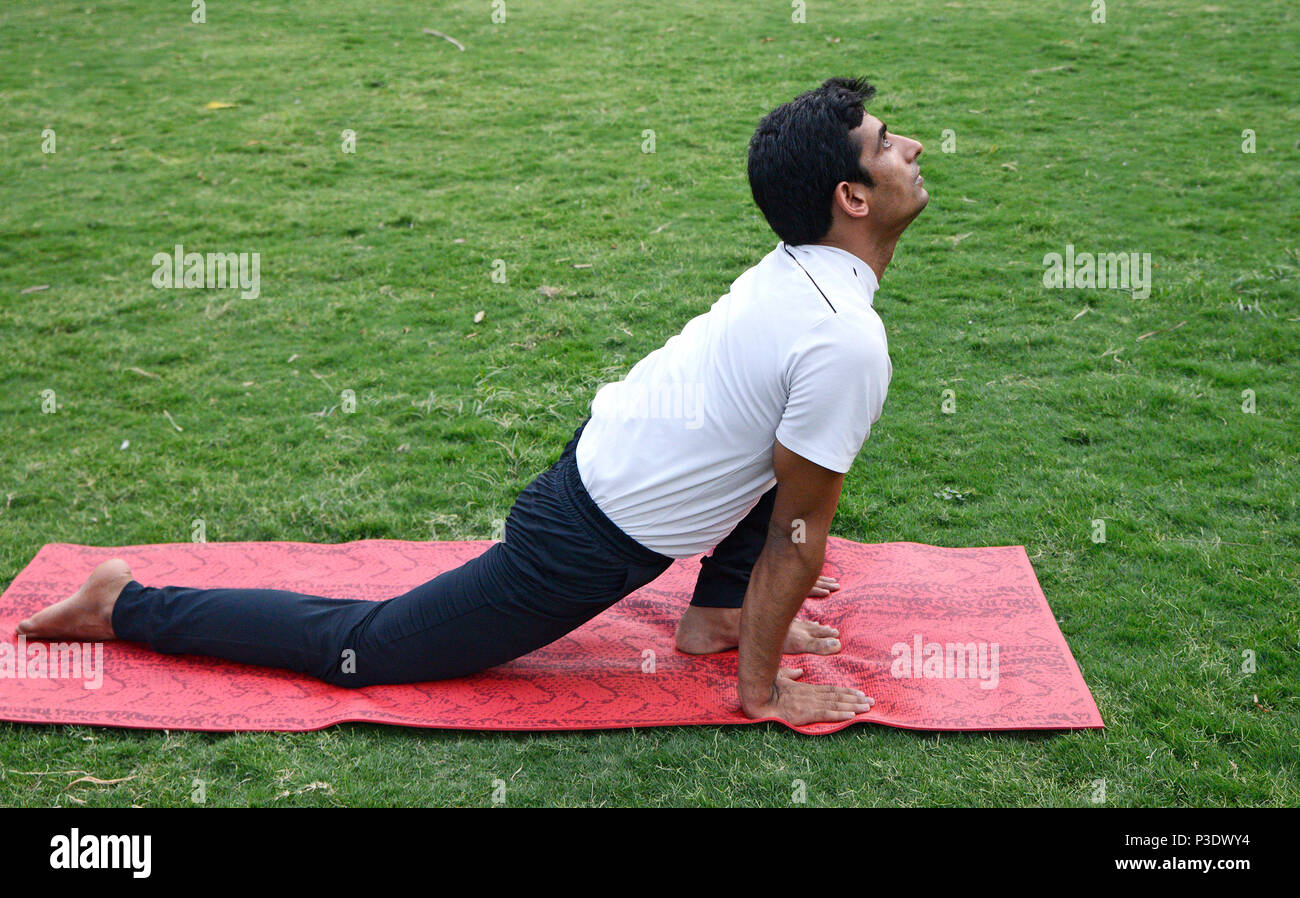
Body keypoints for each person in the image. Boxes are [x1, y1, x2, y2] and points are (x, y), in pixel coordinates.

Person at [18, 76, 928, 726]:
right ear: (850, 197)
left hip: (617, 456)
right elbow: (796, 533)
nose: (913, 149)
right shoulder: (841, 334)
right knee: (367, 649)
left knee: (798, 443)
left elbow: (791, 495)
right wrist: (762, 694)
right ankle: (123, 604)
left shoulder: (802, 271)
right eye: (889, 144)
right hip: (582, 540)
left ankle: (717, 615)